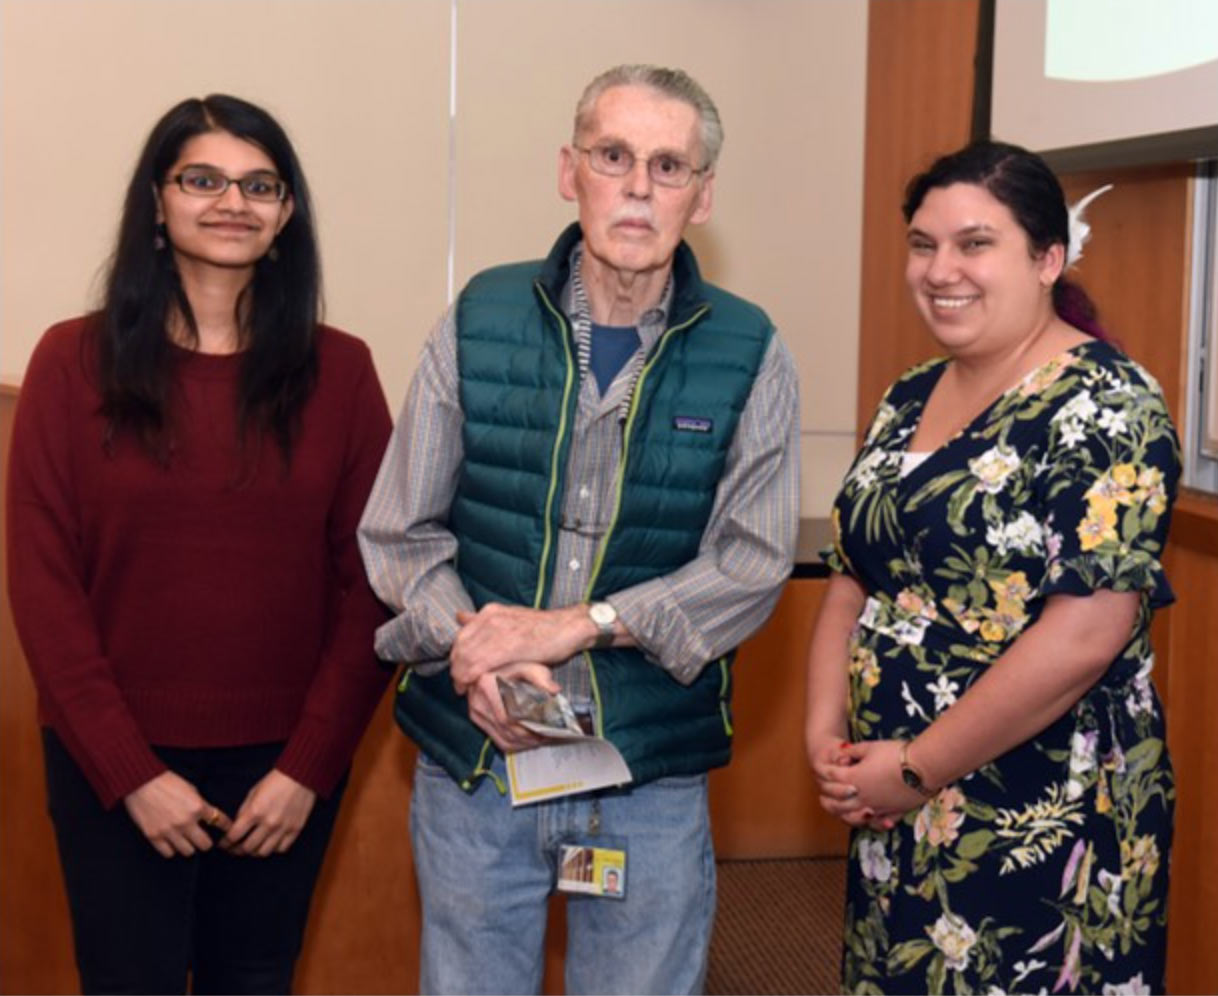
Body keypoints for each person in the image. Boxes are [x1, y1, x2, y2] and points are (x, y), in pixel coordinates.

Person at [359, 64, 799, 995]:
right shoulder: (478, 317)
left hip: (647, 776)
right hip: (477, 762)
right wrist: (476, 651)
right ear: (571, 170)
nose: (639, 187)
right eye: (614, 156)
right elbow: (401, 533)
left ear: (704, 193)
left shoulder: (752, 351)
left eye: (669, 165)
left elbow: (753, 563)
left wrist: (579, 626)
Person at [6, 94, 392, 994]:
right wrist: (131, 773)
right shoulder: (70, 363)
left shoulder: (342, 371)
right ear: (157, 199)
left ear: (287, 211)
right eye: (204, 179)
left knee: (253, 981)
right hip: (113, 766)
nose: (233, 202)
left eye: (261, 184)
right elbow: (43, 587)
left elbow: (371, 584)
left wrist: (308, 767)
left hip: (285, 775)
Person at [805, 139, 1178, 994]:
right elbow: (852, 579)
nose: (942, 270)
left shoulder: (1108, 403)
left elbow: (1086, 635)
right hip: (893, 796)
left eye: (976, 244)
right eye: (923, 244)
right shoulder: (906, 396)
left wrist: (914, 768)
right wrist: (829, 739)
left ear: (1049, 258)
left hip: (1040, 802)